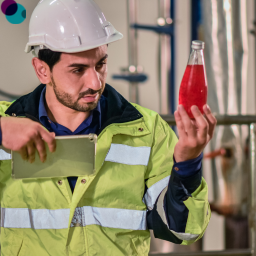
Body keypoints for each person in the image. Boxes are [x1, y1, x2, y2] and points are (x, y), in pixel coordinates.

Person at [0, 0, 217, 255]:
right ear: (42, 70)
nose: (95, 82)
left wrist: (187, 163)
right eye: (78, 69)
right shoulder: (7, 123)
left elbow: (184, 229)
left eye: (100, 64)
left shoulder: (146, 131)